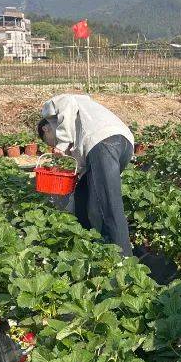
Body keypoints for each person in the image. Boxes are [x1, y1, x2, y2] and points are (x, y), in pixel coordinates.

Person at [38, 94, 135, 255]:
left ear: (45, 129)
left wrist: (61, 144)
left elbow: (67, 101)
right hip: (124, 144)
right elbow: (84, 165)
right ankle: (88, 239)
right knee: (83, 192)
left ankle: (124, 261)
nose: (53, 145)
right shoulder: (82, 120)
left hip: (104, 143)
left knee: (110, 205)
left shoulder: (50, 109)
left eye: (50, 142)